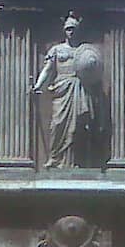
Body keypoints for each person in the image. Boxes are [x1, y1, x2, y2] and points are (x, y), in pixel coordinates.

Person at [31, 13, 105, 169]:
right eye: (68, 29)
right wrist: (38, 86)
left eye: (73, 29)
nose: (71, 32)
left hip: (80, 89)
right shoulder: (57, 50)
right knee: (57, 124)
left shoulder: (84, 51)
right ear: (64, 31)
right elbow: (48, 70)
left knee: (79, 126)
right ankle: (54, 158)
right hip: (62, 90)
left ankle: (76, 162)